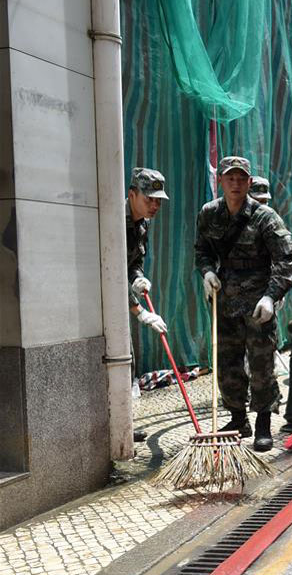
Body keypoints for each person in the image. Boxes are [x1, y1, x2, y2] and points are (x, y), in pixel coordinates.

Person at [195, 156, 292, 452]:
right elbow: (201, 250)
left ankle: (264, 423)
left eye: (241, 179)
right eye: (230, 178)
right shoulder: (209, 214)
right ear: (221, 181)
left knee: (262, 363)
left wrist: (272, 295)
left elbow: (285, 259)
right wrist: (207, 272)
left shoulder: (266, 217)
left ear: (249, 182)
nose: (236, 184)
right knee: (227, 362)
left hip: (257, 304)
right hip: (224, 300)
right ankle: (238, 418)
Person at [126, 167, 169, 443]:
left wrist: (139, 279)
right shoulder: (112, 220)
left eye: (158, 201)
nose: (154, 205)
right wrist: (139, 311)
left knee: (126, 363)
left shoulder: (143, 223)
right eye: (149, 198)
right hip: (97, 303)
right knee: (118, 364)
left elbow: (133, 264)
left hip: (120, 300)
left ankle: (123, 428)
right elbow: (107, 273)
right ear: (132, 194)